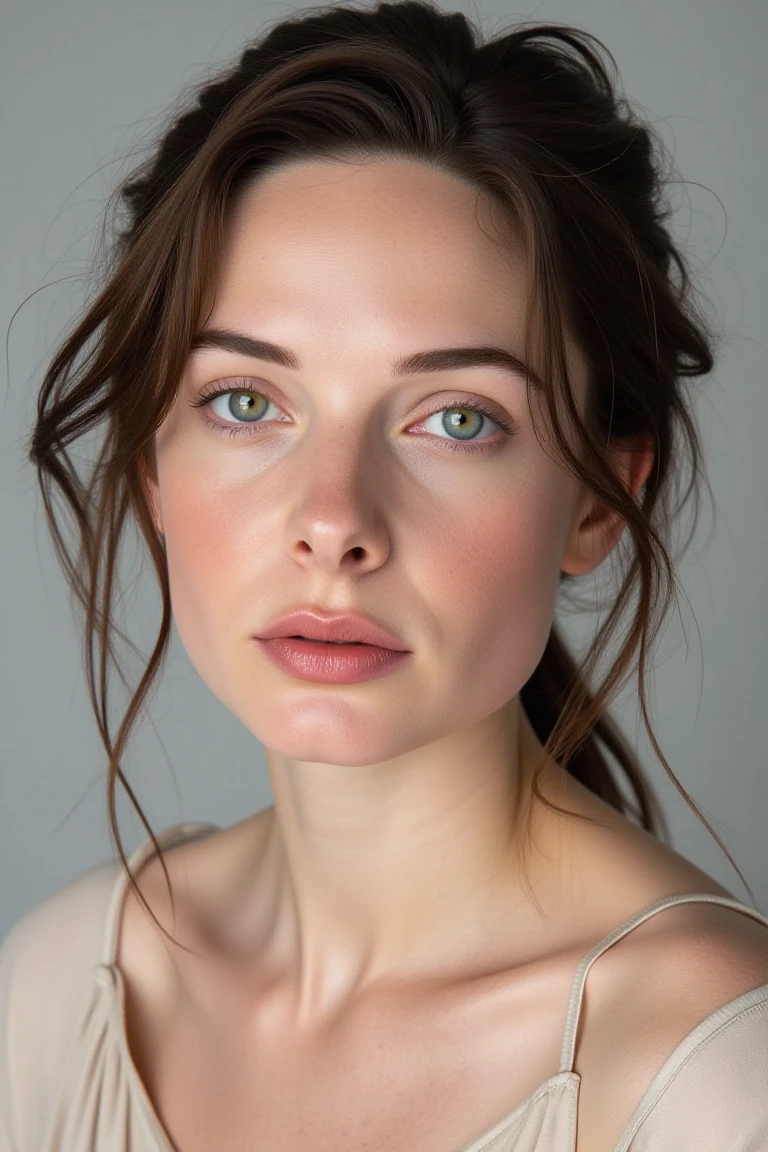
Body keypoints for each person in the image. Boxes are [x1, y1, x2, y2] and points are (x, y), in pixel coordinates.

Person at [1, 2, 767, 1150]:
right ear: (153, 465)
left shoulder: (716, 1070)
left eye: (456, 419)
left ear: (603, 502)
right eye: (246, 403)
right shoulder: (60, 989)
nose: (334, 522)